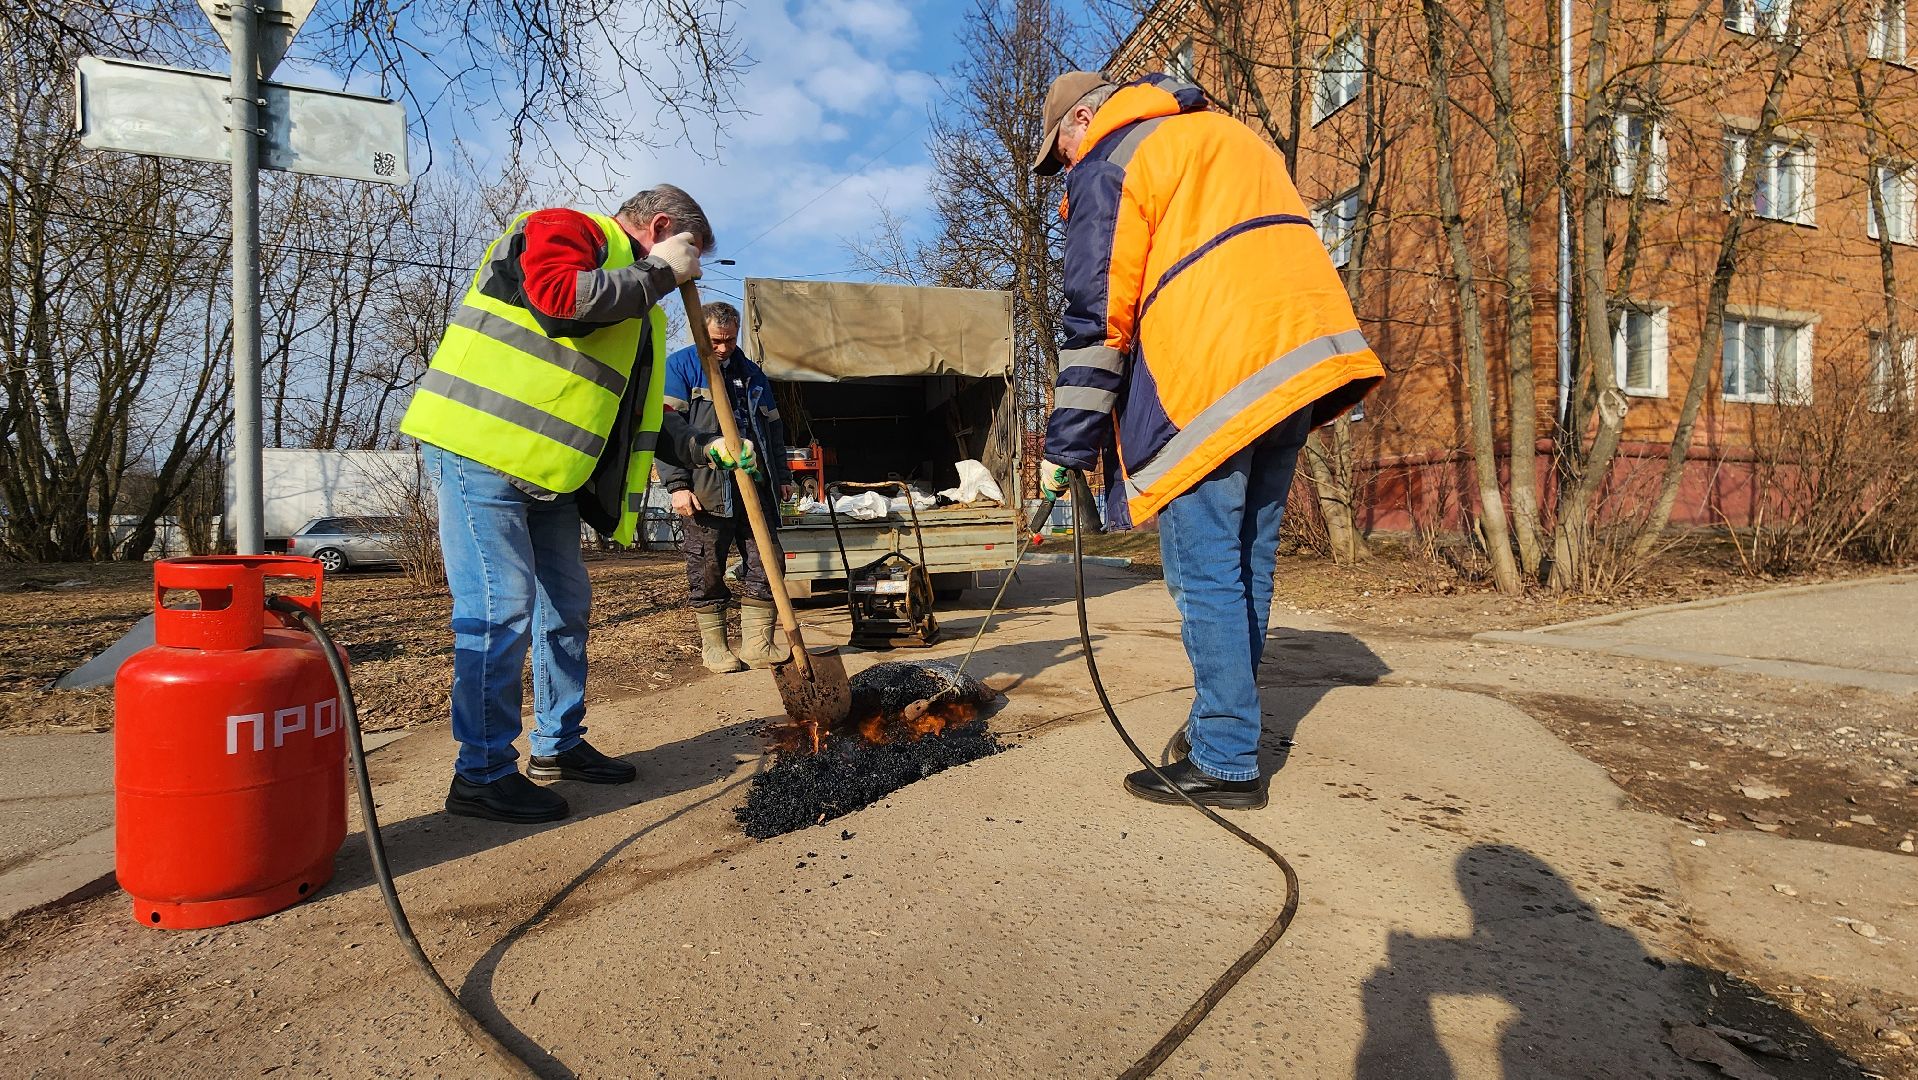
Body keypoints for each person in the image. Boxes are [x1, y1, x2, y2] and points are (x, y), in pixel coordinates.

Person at [1032, 71, 1386, 809]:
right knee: (1246, 566)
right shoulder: (1227, 135)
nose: (1065, 166)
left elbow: (1097, 314)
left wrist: (1065, 448)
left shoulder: (1116, 155)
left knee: (1203, 577)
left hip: (1212, 377)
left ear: (1086, 117)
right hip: (1297, 362)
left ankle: (1225, 758)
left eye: (1060, 148)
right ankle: (1219, 730)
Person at [400, 184, 759, 825]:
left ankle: (558, 745)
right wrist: (660, 270)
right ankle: (480, 773)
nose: (688, 277)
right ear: (659, 229)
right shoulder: (567, 228)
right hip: (480, 450)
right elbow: (562, 303)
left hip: (550, 474)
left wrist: (707, 447)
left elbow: (630, 415)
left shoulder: (640, 306)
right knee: (499, 608)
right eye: (690, 254)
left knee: (566, 606)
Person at [656, 301, 794, 673]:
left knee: (768, 561)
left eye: (730, 340)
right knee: (707, 566)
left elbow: (774, 430)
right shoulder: (680, 367)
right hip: (705, 488)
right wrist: (677, 484)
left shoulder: (751, 374)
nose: (722, 348)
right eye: (715, 341)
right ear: (699, 334)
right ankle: (715, 647)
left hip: (755, 484)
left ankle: (757, 644)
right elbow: (665, 432)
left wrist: (782, 478)